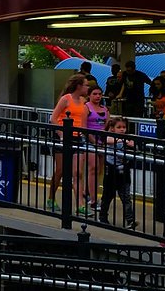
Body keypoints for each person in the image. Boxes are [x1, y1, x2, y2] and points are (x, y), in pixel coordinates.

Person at [47, 74, 90, 213]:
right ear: (79, 86)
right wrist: (61, 134)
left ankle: (80, 205)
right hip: (63, 137)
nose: (88, 87)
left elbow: (83, 124)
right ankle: (51, 198)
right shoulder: (66, 99)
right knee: (60, 170)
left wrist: (86, 137)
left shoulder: (84, 102)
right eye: (86, 85)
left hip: (77, 139)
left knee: (78, 172)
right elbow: (53, 118)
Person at [99, 116, 137, 229]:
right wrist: (122, 140)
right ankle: (102, 217)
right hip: (111, 170)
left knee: (126, 196)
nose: (122, 129)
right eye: (119, 127)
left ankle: (130, 220)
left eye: (124, 127)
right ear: (112, 128)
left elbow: (134, 147)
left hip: (124, 171)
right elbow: (107, 141)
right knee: (108, 195)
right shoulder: (110, 137)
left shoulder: (128, 138)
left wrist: (132, 144)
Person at [82, 86, 108, 213]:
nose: (98, 96)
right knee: (93, 168)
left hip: (102, 143)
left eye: (100, 94)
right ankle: (93, 200)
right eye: (95, 94)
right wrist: (93, 141)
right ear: (89, 95)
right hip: (89, 142)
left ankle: (86, 192)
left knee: (99, 171)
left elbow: (108, 125)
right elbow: (84, 126)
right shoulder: (86, 107)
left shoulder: (105, 109)